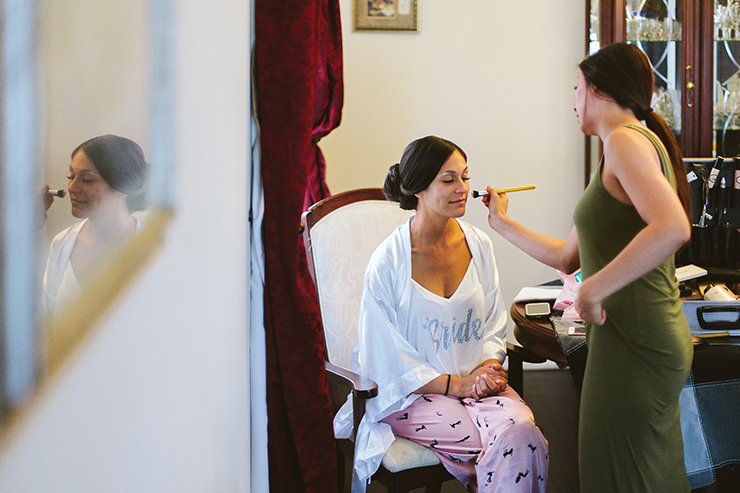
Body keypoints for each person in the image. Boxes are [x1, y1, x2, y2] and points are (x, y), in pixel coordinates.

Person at [483, 43, 693, 493]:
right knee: (641, 473)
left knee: (618, 475)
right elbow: (567, 257)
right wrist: (501, 223)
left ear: (596, 87)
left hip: (636, 340)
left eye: (576, 88)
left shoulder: (624, 140)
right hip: (634, 335)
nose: (572, 100)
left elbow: (673, 226)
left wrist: (593, 289)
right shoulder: (622, 146)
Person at [334, 136, 548, 493]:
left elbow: (493, 322)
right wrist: (454, 385)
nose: (463, 188)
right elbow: (384, 358)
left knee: (520, 428)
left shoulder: (479, 244)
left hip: (477, 387)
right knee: (516, 439)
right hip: (409, 397)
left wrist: (486, 367)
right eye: (449, 180)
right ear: (418, 187)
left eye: (465, 177)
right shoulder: (389, 263)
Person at [41, 134, 148, 315]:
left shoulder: (152, 247)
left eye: (87, 179)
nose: (71, 187)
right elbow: (48, 324)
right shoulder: (61, 245)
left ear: (124, 187)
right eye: (71, 176)